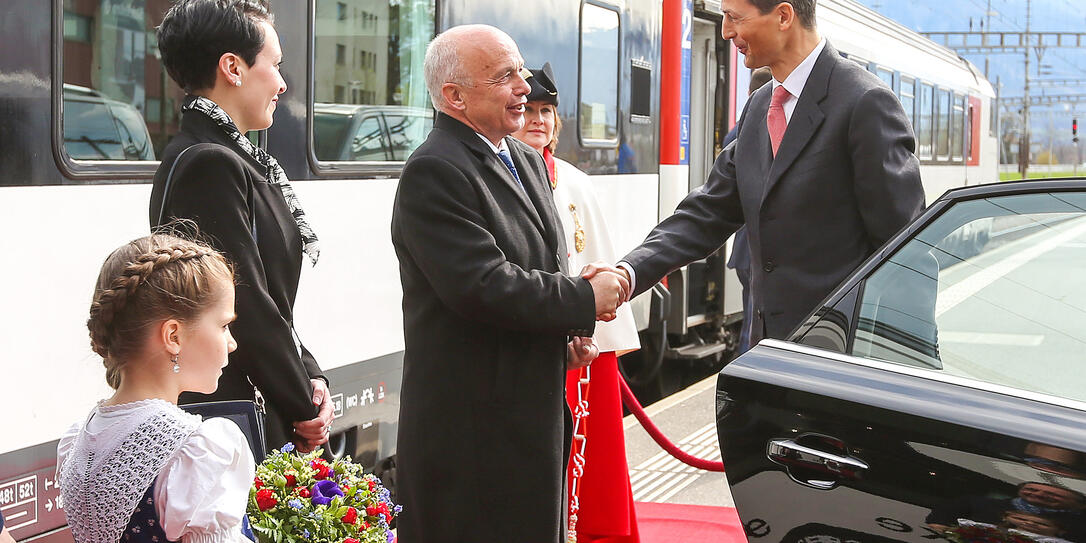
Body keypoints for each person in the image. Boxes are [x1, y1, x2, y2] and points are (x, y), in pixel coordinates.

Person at [390, 25, 630, 543]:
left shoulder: (522, 158)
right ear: (454, 96)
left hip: (528, 418)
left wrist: (560, 338)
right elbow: (482, 285)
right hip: (472, 436)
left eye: (520, 71)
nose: (524, 86)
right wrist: (584, 298)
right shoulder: (435, 170)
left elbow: (539, 263)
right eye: (505, 77)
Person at [618, 0, 924, 345]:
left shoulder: (865, 103)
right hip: (768, 355)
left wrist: (910, 364)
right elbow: (708, 211)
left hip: (840, 361)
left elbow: (906, 251)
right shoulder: (760, 106)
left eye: (734, 17)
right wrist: (628, 272)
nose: (726, 31)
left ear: (783, 16)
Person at [149, 0, 333, 454]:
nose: (283, 83)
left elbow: (270, 302)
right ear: (232, 67)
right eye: (275, 65)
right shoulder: (209, 164)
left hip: (246, 399)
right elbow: (244, 304)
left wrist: (311, 373)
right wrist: (303, 408)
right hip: (231, 416)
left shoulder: (226, 158)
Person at [512, 63, 642, 543]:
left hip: (584, 346)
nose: (539, 120)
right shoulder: (495, 178)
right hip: (531, 337)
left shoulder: (574, 182)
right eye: (528, 109)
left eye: (547, 112)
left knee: (592, 462)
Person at [57, 233, 255, 543]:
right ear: (173, 336)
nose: (231, 343)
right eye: (223, 325)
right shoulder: (194, 449)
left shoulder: (80, 440)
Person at [723, 66, 772, 355]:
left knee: (752, 320)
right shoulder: (750, 129)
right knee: (755, 326)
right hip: (756, 252)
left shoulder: (736, 131)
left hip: (745, 250)